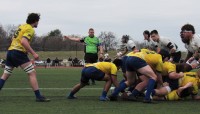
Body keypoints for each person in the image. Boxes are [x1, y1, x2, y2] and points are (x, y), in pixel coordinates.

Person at [0, 13, 50, 102]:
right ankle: (38, 96)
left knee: (5, 75)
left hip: (10, 51)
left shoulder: (22, 26)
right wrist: (34, 53)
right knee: (32, 73)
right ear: (35, 21)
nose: (38, 23)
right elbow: (23, 41)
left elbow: (13, 39)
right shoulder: (30, 29)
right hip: (18, 53)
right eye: (38, 21)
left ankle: (38, 96)